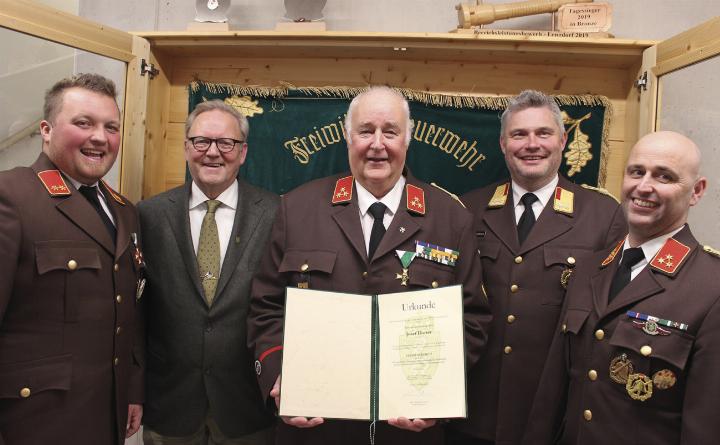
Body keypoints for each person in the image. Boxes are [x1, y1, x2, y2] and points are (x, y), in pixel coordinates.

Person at [247, 86, 492, 445]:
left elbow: (472, 318)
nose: (377, 144)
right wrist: (277, 374)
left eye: (390, 131)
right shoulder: (298, 209)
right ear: (348, 138)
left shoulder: (450, 217)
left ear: (407, 140)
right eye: (366, 131)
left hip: (408, 430)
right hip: (317, 426)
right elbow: (266, 306)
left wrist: (439, 390)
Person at [447, 90, 627, 445]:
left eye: (543, 133)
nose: (532, 144)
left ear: (562, 139)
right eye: (519, 134)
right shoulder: (469, 208)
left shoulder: (604, 216)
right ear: (503, 144)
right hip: (475, 412)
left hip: (553, 413)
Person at [524, 131, 720, 445]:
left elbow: (707, 426)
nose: (644, 187)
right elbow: (554, 391)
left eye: (664, 177)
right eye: (636, 172)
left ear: (696, 191)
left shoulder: (711, 288)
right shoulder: (589, 268)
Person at [0, 73, 144, 444]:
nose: (100, 137)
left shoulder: (123, 210)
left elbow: (129, 313)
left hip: (104, 414)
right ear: (46, 130)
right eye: (84, 123)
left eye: (111, 127)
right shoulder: (11, 196)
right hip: (32, 421)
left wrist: (132, 389)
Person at [138, 100, 279, 445]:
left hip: (247, 409)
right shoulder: (149, 215)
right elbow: (139, 312)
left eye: (226, 143)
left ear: (243, 152)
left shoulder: (277, 214)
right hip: (170, 407)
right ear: (187, 148)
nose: (213, 152)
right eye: (201, 141)